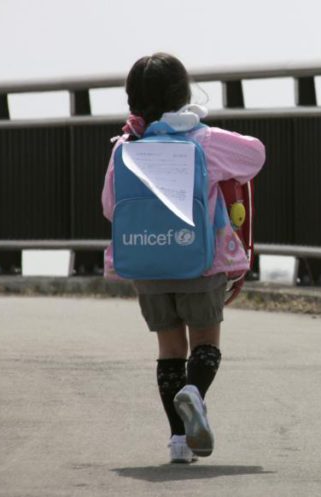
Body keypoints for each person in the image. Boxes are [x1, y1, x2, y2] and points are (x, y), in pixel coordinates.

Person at [101, 53, 265, 464]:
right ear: (183, 93)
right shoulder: (202, 141)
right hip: (200, 263)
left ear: (132, 99)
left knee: (169, 349)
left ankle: (178, 441)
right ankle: (194, 391)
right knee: (204, 344)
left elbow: (109, 205)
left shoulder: (125, 147)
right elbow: (255, 155)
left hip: (146, 264)